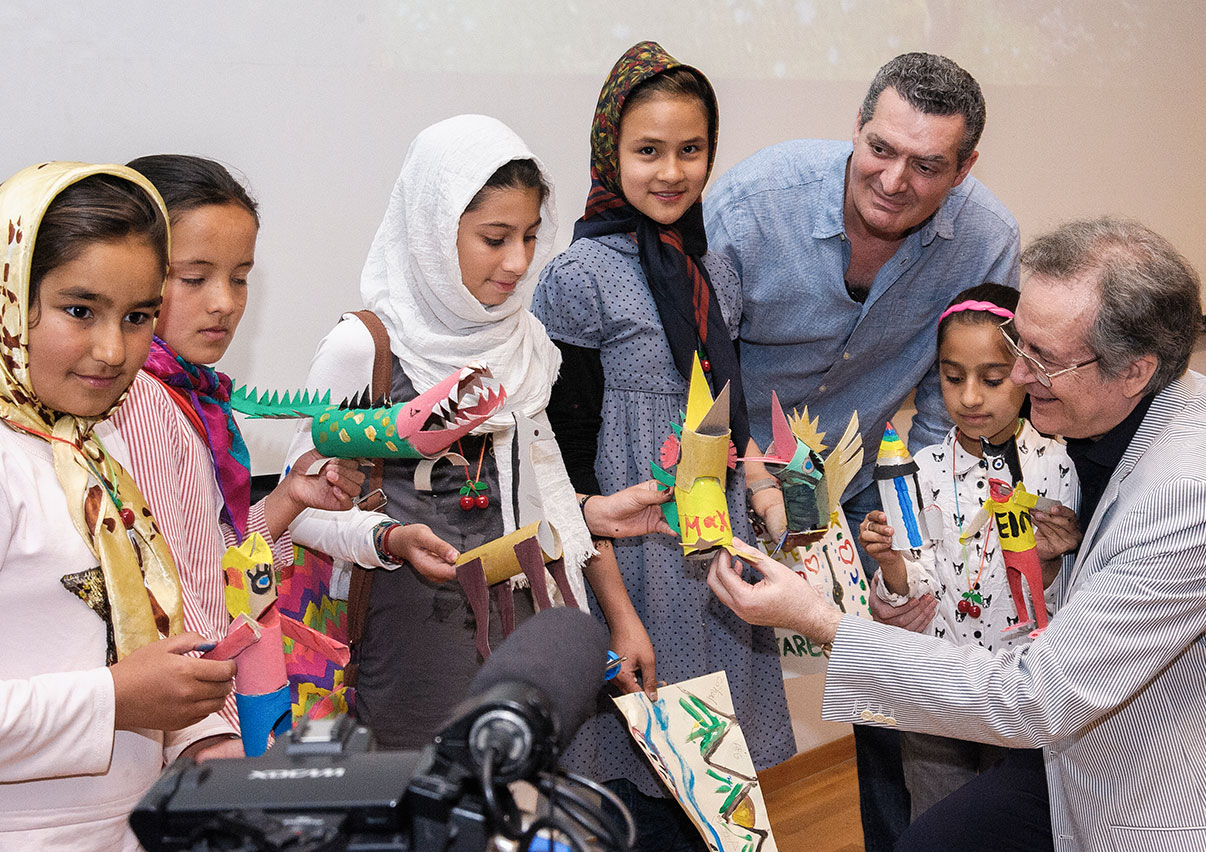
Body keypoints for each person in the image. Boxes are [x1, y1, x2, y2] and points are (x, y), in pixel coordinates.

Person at [708, 217, 1206, 852]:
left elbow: (1035, 697)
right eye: (1020, 344)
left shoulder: (1192, 494)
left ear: (1134, 370)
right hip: (1083, 747)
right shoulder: (1134, 409)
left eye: (1042, 359)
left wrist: (822, 622)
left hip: (1165, 790)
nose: (1022, 377)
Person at [703, 51, 1020, 848]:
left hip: (863, 468)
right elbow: (699, 364)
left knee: (893, 663)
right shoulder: (754, 205)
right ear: (857, 126)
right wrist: (752, 476)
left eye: (927, 165)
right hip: (730, 461)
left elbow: (954, 407)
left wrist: (931, 528)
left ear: (964, 169)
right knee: (712, 666)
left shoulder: (986, 238)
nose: (893, 180)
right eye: (880, 149)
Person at [286, 114, 655, 750]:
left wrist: (615, 604)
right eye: (494, 238)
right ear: (433, 230)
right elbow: (297, 511)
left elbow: (542, 490)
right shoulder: (364, 347)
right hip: (410, 641)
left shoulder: (524, 341)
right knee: (424, 792)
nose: (518, 262)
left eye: (530, 237)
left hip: (522, 629)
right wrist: (388, 539)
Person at [532, 42, 795, 852]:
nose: (672, 172)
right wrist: (614, 607)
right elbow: (566, 458)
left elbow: (725, 398)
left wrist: (763, 485)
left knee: (718, 784)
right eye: (648, 150)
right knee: (643, 779)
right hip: (633, 560)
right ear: (610, 151)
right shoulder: (578, 276)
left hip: (713, 543)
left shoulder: (717, 266)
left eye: (692, 149)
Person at [0, 162, 237, 849]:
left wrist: (198, 730)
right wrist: (114, 699)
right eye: (80, 311)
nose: (112, 350)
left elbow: (133, 642)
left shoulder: (95, 447)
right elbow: (123, 685)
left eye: (137, 317)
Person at [105, 155, 366, 745]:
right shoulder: (141, 400)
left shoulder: (194, 397)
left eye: (240, 277)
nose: (224, 302)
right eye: (193, 278)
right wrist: (213, 736)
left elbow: (206, 557)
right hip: (184, 715)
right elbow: (172, 597)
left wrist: (289, 499)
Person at [857, 283, 1080, 821]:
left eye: (992, 379)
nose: (971, 398)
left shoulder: (1058, 466)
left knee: (1014, 818)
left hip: (1020, 686)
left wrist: (1049, 560)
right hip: (937, 679)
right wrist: (891, 563)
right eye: (953, 378)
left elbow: (1069, 600)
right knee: (937, 815)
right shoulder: (922, 470)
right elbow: (916, 581)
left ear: (1024, 373)